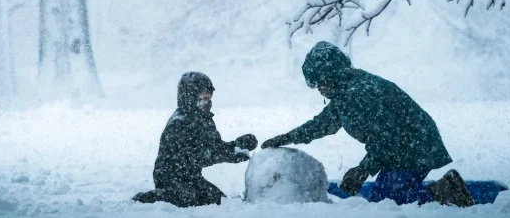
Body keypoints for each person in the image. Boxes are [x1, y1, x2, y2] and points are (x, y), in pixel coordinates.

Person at [261, 41, 474, 207]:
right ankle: (439, 190)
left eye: (320, 82)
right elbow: (323, 124)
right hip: (402, 147)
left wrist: (362, 171)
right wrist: (287, 137)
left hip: (416, 146)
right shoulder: (345, 92)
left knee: (387, 200)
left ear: (331, 76)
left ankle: (446, 192)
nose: (319, 89)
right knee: (383, 193)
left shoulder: (359, 94)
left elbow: (386, 138)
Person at [133, 71, 258, 207]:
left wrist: (237, 145)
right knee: (187, 199)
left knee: (218, 200)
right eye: (203, 93)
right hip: (170, 177)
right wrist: (229, 156)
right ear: (190, 94)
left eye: (209, 94)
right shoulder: (179, 122)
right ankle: (145, 199)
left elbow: (215, 147)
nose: (208, 98)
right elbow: (197, 156)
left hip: (192, 177)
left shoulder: (205, 119)